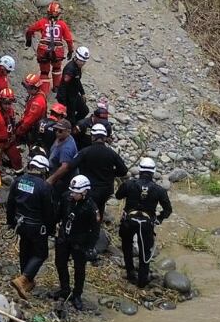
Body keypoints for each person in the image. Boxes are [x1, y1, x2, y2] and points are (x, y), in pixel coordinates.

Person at [115, 157, 173, 287]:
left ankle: (130, 273)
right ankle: (142, 280)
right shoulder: (159, 190)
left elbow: (118, 196)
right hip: (147, 223)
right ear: (153, 172)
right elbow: (168, 210)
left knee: (127, 247)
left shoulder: (130, 184)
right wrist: (158, 219)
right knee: (145, 251)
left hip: (128, 221)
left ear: (140, 171)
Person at [7, 154, 57, 298]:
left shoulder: (18, 181)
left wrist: (11, 222)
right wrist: (51, 228)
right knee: (41, 253)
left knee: (25, 248)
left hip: (20, 223)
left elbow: (11, 203)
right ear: (44, 171)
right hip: (36, 226)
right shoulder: (44, 186)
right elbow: (49, 210)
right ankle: (23, 279)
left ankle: (27, 280)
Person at [54, 175, 100, 310]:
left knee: (79, 269)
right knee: (60, 263)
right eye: (72, 192)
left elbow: (95, 229)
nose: (73, 195)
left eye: (76, 193)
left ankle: (77, 294)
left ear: (85, 192)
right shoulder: (66, 197)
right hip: (64, 237)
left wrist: (90, 247)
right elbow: (59, 213)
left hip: (80, 241)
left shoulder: (91, 207)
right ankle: (64, 289)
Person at [68, 123, 129, 218]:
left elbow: (71, 165)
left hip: (88, 189)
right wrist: (111, 174)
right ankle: (96, 228)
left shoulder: (85, 151)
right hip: (105, 190)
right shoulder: (111, 153)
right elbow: (124, 170)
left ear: (92, 137)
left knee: (83, 212)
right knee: (99, 210)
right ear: (104, 138)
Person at [25, 2, 75, 92]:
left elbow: (30, 30)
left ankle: (43, 92)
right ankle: (56, 87)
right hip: (57, 50)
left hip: (43, 50)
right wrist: (70, 50)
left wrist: (28, 40)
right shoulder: (62, 24)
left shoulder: (42, 22)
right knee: (57, 69)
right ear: (58, 14)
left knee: (44, 72)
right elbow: (69, 40)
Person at [56, 45, 90, 122]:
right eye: (81, 61)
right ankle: (70, 127)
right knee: (70, 119)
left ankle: (75, 125)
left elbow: (77, 81)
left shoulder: (78, 67)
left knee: (85, 111)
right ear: (76, 58)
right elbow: (63, 87)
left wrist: (82, 93)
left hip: (74, 95)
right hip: (67, 98)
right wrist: (63, 105)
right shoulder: (70, 70)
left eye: (84, 61)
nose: (82, 63)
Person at [46, 119, 79, 197]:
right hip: (54, 170)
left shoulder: (67, 148)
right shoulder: (62, 138)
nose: (57, 132)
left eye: (60, 131)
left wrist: (51, 180)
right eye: (56, 130)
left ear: (68, 131)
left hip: (62, 180)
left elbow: (65, 167)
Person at [16, 72, 50, 147]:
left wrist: (19, 131)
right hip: (33, 127)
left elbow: (29, 120)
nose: (26, 89)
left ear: (34, 87)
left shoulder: (37, 102)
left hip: (34, 130)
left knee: (32, 147)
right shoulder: (36, 95)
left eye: (27, 87)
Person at [0, 87, 25, 171]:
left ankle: (19, 178)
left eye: (9, 103)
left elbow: (12, 125)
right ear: (0, 102)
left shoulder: (11, 111)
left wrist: (13, 135)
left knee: (17, 159)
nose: (7, 106)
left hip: (9, 141)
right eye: (5, 103)